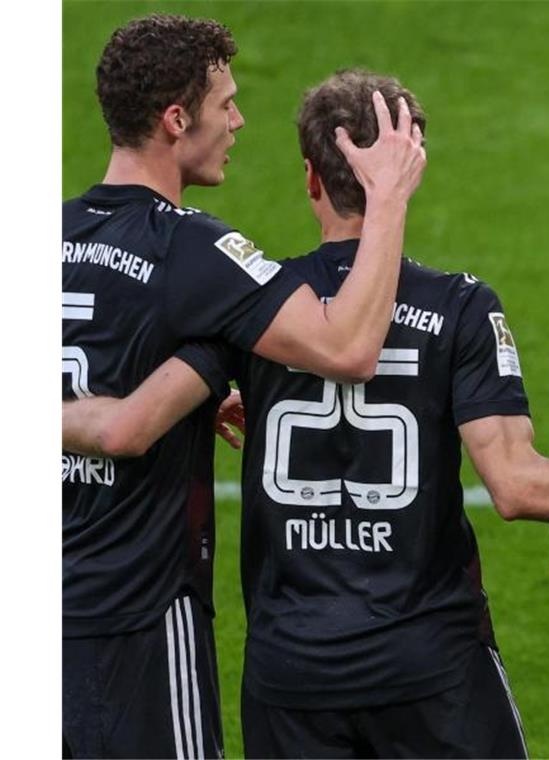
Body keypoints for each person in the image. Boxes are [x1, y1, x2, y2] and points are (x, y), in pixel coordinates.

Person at [63, 70, 549, 758]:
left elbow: (129, 423)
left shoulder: (253, 306)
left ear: (311, 179)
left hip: (292, 674)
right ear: (407, 176)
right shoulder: (460, 308)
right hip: (432, 666)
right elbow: (518, 488)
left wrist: (229, 395)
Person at [61, 14, 425, 758]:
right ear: (175, 120)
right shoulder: (195, 250)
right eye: (224, 102)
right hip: (138, 619)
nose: (238, 120)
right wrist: (385, 197)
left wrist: (190, 384)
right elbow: (351, 347)